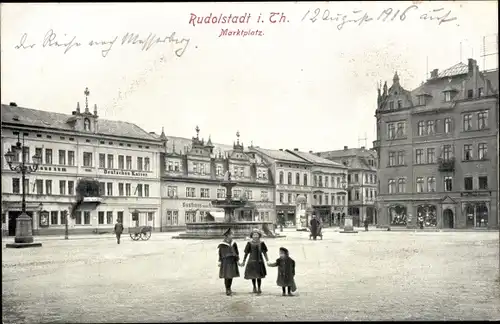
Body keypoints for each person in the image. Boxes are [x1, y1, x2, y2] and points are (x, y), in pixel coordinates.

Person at [240, 228, 268, 294]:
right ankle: (254, 287)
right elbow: (246, 253)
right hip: (252, 261)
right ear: (251, 235)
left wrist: (267, 260)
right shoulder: (249, 243)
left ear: (259, 235)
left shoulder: (262, 243)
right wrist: (243, 261)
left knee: (259, 276)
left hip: (259, 260)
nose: (255, 236)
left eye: (257, 234)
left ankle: (259, 287)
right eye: (254, 235)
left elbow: (264, 252)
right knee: (253, 275)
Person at [218, 228, 240, 296]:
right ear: (227, 235)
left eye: (232, 234)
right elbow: (220, 253)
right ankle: (227, 289)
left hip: (232, 260)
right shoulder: (222, 244)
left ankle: (229, 287)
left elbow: (237, 252)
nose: (232, 236)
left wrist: (237, 260)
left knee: (231, 275)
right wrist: (219, 261)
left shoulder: (234, 243)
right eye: (231, 234)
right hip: (225, 261)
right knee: (226, 276)